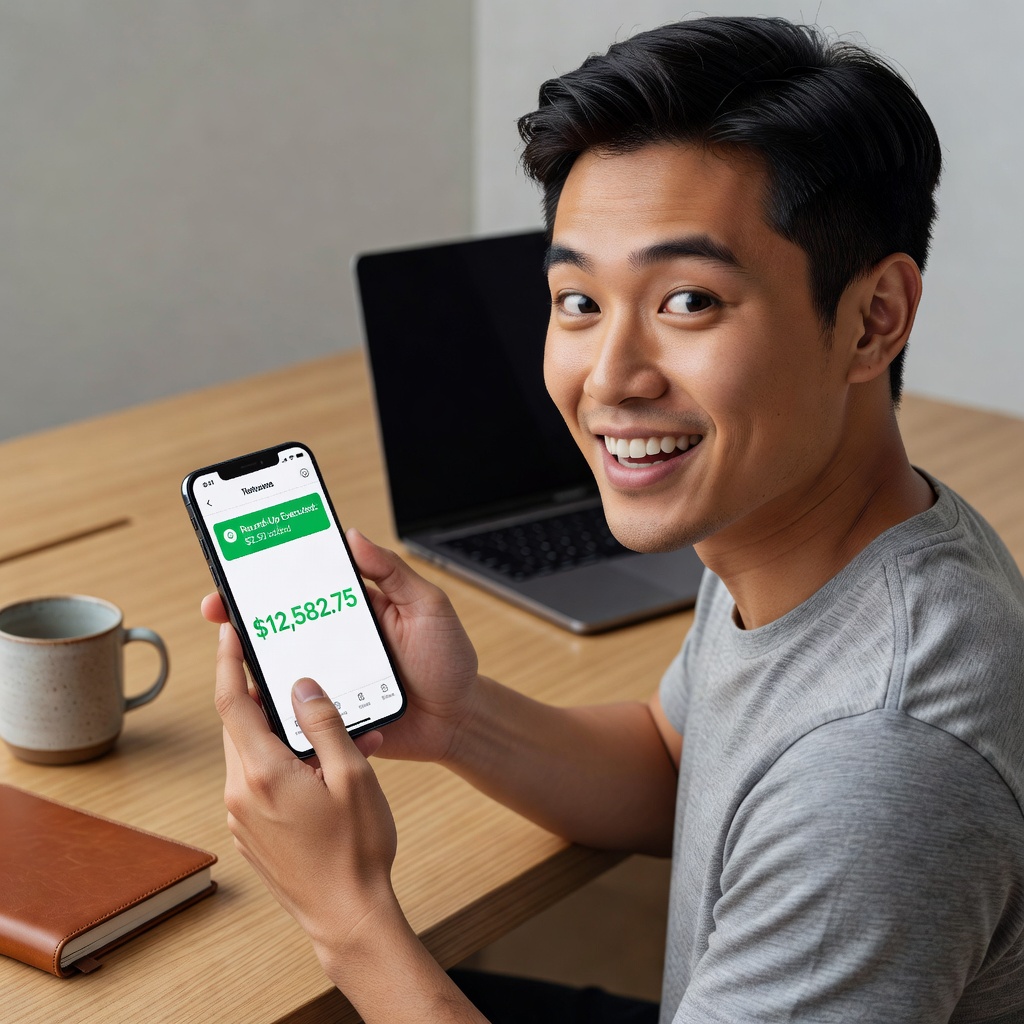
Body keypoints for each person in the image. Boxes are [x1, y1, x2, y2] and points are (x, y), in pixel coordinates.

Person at [204, 16, 1024, 1023]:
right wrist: (456, 717)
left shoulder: (881, 759)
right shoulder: (799, 525)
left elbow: (827, 786)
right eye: (578, 300)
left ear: (872, 318)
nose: (610, 378)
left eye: (687, 300)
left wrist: (348, 917)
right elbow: (678, 762)